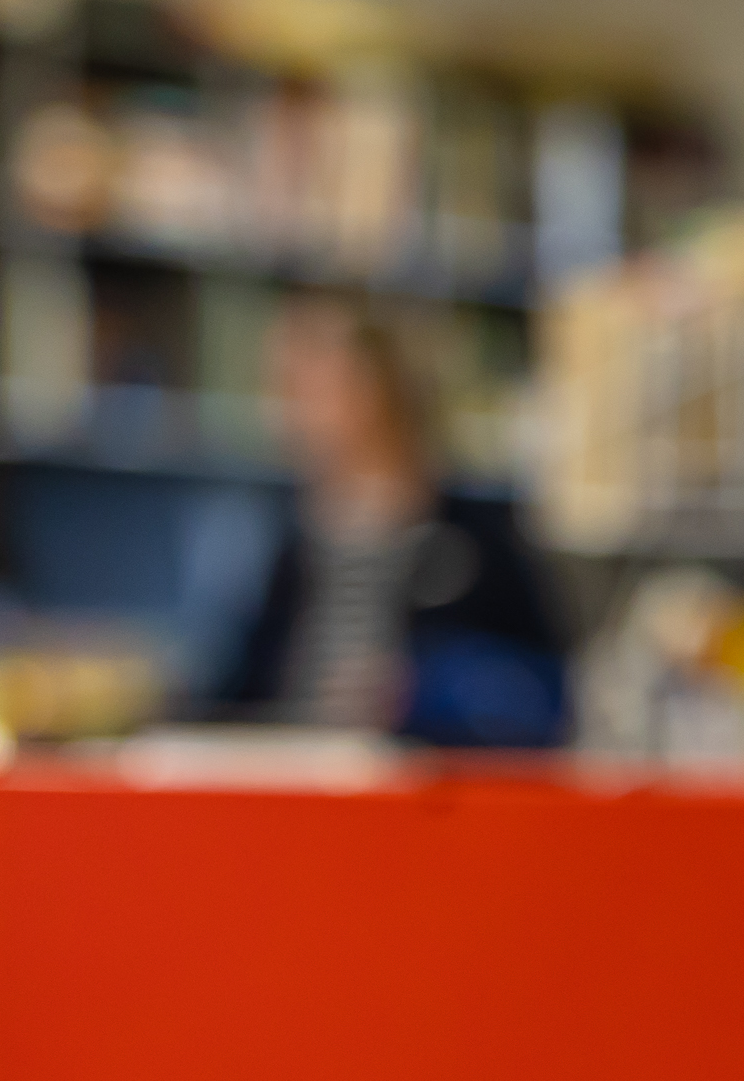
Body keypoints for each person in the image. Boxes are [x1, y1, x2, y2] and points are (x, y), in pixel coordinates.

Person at [218, 294, 569, 749]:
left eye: (302, 386)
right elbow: (239, 690)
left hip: (422, 793)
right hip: (293, 780)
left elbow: (546, 693)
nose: (282, 412)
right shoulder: (286, 532)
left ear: (372, 388)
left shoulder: (473, 534)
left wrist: (428, 688)